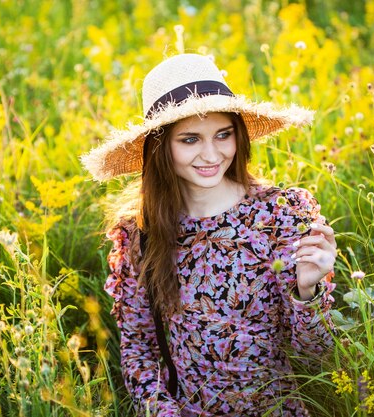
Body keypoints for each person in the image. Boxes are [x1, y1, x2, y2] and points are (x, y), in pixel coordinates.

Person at [81, 54, 337, 416]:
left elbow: (318, 356)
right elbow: (139, 350)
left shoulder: (280, 215)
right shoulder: (142, 232)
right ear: (161, 147)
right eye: (190, 140)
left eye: (223, 134)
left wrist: (307, 292)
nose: (211, 154)